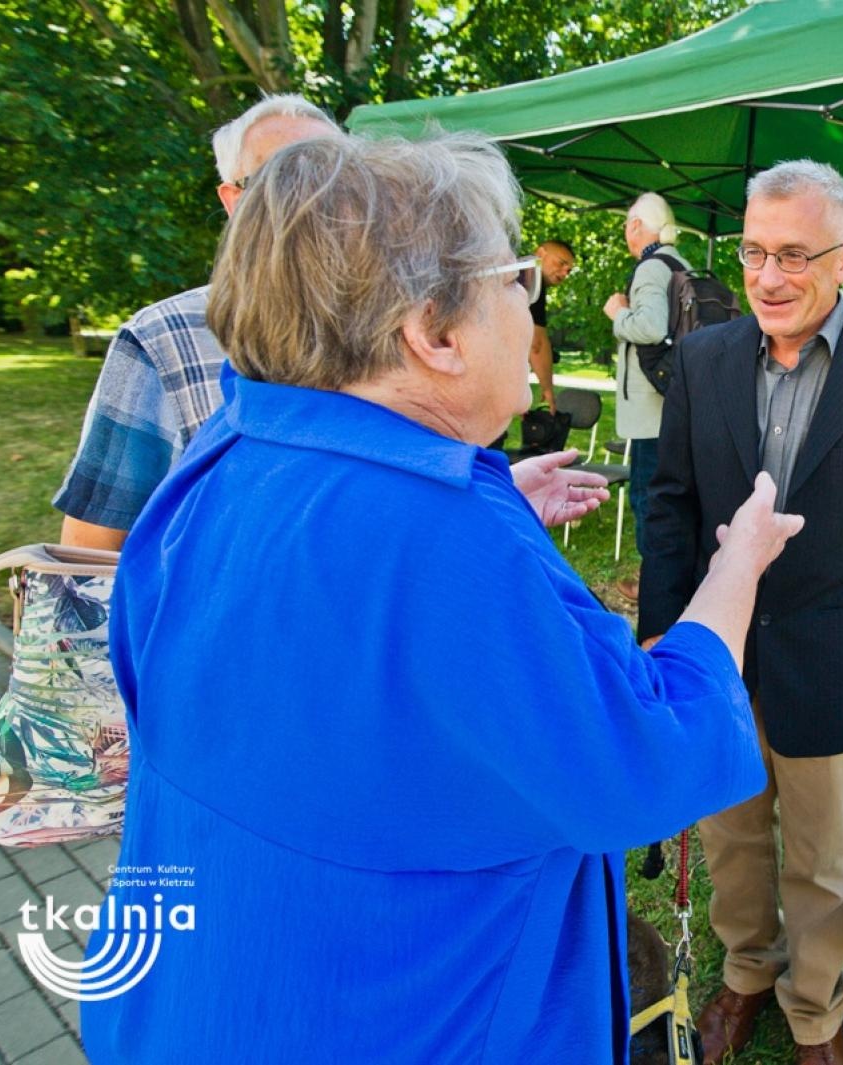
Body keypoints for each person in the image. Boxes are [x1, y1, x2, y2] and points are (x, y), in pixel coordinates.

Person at [80, 134, 805, 1064]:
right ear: (434, 331)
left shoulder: (222, 454)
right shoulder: (444, 531)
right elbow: (647, 758)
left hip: (192, 1001)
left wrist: (489, 516)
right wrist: (737, 566)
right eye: (515, 279)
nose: (528, 305)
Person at [639, 159, 843, 1065]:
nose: (770, 277)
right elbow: (669, 502)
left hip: (828, 654)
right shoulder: (701, 361)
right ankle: (746, 975)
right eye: (753, 252)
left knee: (820, 855)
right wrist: (662, 632)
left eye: (794, 255)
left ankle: (816, 1009)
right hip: (714, 653)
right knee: (734, 836)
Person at [53, 94, 340, 550]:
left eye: (338, 178)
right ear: (234, 200)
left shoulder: (405, 328)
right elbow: (90, 549)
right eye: (281, 179)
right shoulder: (162, 340)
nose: (315, 199)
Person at [605, 192, 688, 600]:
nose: (625, 232)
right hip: (675, 402)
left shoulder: (651, 268)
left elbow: (651, 328)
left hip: (650, 409)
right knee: (672, 499)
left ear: (637, 226)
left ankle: (651, 584)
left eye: (626, 224)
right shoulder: (680, 264)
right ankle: (672, 579)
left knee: (648, 497)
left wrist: (617, 314)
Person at [528, 239, 576, 414]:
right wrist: (547, 389)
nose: (565, 273)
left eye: (569, 270)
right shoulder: (532, 279)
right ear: (540, 253)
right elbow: (536, 343)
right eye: (561, 263)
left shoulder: (511, 271)